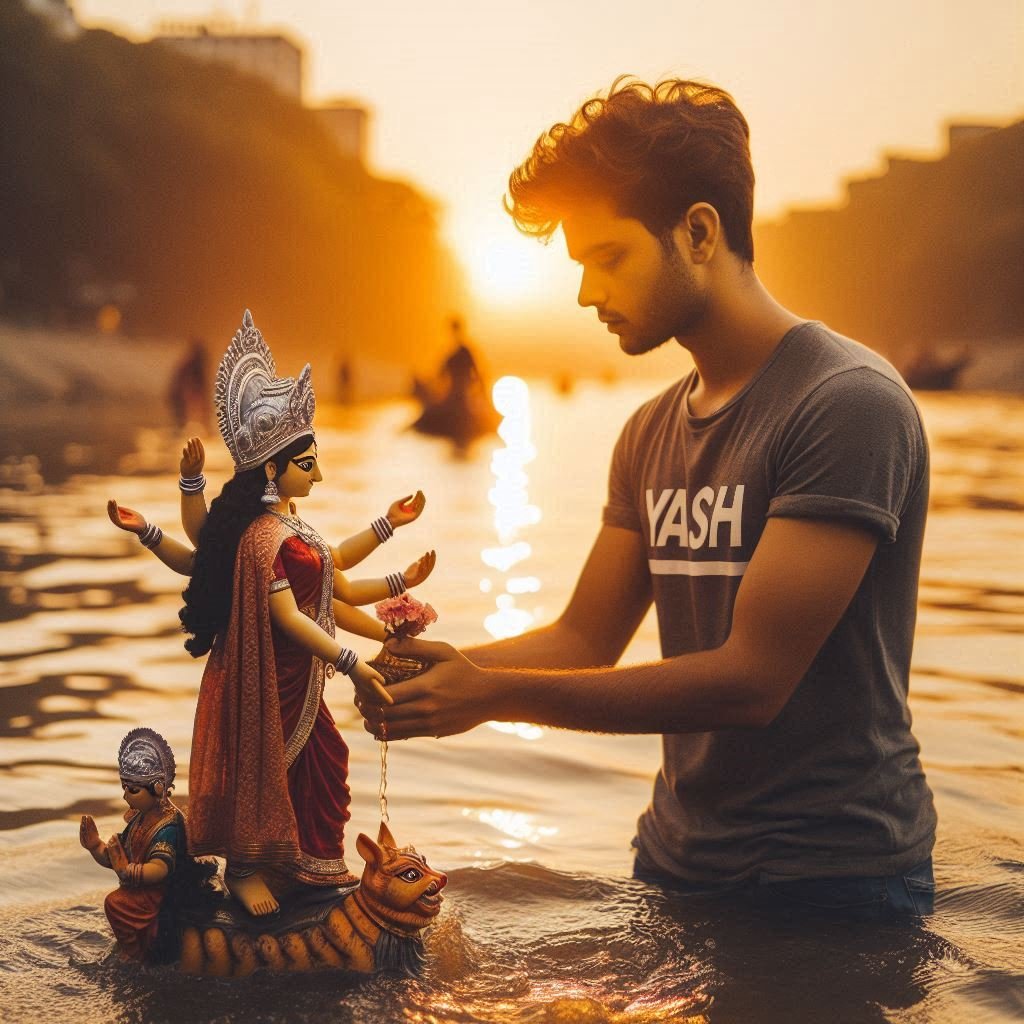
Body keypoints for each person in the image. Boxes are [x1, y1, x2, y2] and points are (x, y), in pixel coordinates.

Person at [362, 80, 937, 915]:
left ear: (699, 232)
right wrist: (433, 675)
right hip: (673, 862)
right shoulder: (647, 431)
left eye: (608, 257)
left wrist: (494, 698)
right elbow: (585, 636)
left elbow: (753, 682)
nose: (588, 294)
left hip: (835, 881)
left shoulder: (846, 404)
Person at [108, 309, 436, 918]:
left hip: (299, 674)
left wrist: (393, 538)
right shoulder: (261, 538)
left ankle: (308, 869)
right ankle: (246, 872)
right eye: (308, 462)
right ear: (273, 468)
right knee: (265, 776)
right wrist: (355, 662)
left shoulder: (289, 527)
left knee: (325, 769)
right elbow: (274, 609)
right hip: (267, 679)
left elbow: (332, 581)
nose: (319, 472)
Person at [80, 728, 215, 962]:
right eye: (124, 788)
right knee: (117, 901)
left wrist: (126, 871)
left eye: (133, 790)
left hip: (162, 893)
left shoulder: (168, 825)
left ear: (158, 789)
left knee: (115, 903)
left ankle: (139, 953)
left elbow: (160, 869)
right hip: (142, 889)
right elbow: (117, 856)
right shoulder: (140, 818)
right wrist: (95, 846)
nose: (125, 796)